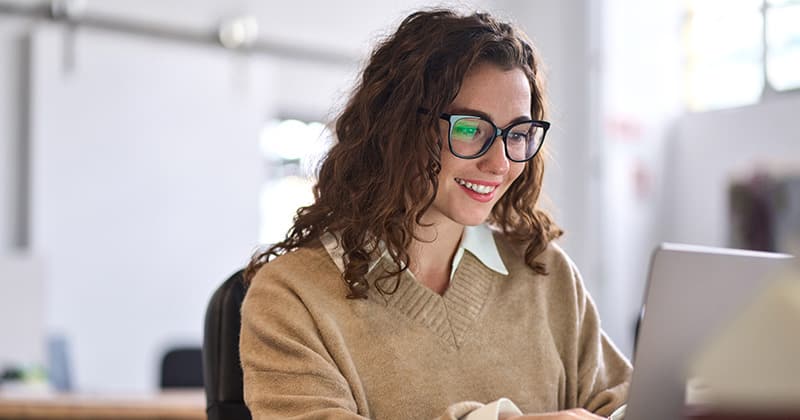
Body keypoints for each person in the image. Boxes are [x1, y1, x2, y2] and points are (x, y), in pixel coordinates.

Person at [240, 8, 631, 420]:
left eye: (517, 134)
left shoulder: (546, 275)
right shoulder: (291, 298)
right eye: (468, 128)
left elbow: (624, 403)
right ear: (398, 128)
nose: (500, 164)